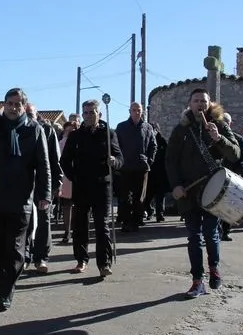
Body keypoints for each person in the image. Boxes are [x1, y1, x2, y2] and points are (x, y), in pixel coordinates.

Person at [0, 90, 51, 310]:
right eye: (9, 103)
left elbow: (43, 165)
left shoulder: (34, 130)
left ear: (24, 105)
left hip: (21, 200)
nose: (13, 107)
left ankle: (6, 289)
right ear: (4, 105)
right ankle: (3, 283)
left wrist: (45, 195)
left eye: (17, 104)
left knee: (16, 248)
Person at [166, 89, 240, 299]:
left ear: (209, 104)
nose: (200, 104)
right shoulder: (181, 130)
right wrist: (175, 185)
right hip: (189, 192)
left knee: (210, 233)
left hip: (214, 190)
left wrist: (218, 138)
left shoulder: (220, 125)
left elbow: (235, 154)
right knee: (193, 237)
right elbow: (170, 160)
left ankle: (214, 269)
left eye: (203, 101)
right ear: (190, 104)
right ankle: (197, 280)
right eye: (196, 101)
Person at [59, 99, 123, 278]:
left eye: (91, 112)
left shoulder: (109, 134)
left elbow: (120, 157)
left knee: (102, 225)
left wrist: (115, 162)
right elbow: (64, 160)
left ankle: (104, 263)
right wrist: (74, 177)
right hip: (81, 186)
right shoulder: (75, 136)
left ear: (99, 114)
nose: (88, 115)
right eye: (85, 112)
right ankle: (81, 260)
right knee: (80, 224)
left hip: (102, 185)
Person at [24, 102, 62, 274]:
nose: (28, 116)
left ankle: (41, 258)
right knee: (24, 221)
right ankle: (24, 256)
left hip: (43, 183)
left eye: (30, 113)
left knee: (43, 220)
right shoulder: (19, 129)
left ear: (36, 114)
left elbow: (54, 159)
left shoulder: (46, 130)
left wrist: (56, 183)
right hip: (23, 184)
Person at [114, 102, 158, 232]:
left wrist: (149, 160)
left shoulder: (147, 127)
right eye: (134, 110)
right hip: (125, 167)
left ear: (142, 111)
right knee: (125, 197)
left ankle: (136, 221)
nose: (136, 112)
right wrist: (118, 161)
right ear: (129, 111)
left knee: (139, 198)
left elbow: (153, 146)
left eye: (139, 110)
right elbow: (115, 145)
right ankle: (126, 222)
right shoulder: (121, 127)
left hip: (141, 167)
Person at [220, 112, 243, 242]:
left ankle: (225, 231)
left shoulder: (238, 139)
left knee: (228, 206)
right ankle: (214, 232)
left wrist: (237, 173)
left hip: (232, 177)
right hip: (217, 176)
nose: (224, 123)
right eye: (222, 121)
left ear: (231, 124)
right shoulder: (214, 138)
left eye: (227, 121)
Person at [144, 122, 169, 223]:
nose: (152, 132)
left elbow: (167, 156)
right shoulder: (147, 141)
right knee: (147, 196)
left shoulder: (162, 141)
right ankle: (150, 211)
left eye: (154, 130)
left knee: (160, 196)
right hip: (150, 173)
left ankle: (160, 215)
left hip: (160, 173)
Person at [57, 121, 77, 242]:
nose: (70, 133)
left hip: (78, 178)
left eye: (72, 131)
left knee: (78, 206)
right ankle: (67, 230)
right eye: (68, 131)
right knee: (66, 206)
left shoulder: (81, 142)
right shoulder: (60, 144)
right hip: (65, 178)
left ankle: (76, 229)